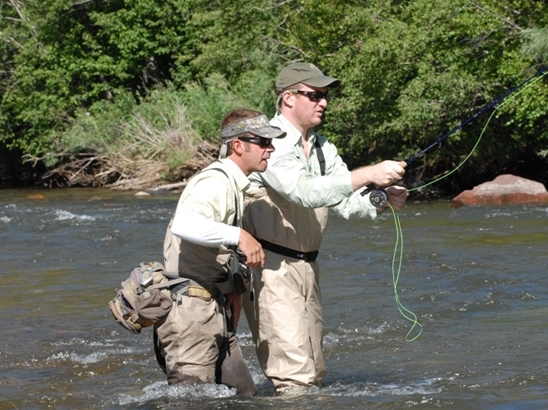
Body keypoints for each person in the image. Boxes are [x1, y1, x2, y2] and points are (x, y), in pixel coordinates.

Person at [242, 62, 409, 393]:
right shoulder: (267, 144)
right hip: (270, 268)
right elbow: (303, 192)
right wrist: (369, 172)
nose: (324, 102)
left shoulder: (323, 148)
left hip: (307, 266)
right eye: (314, 95)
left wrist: (381, 199)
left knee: (315, 371)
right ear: (288, 98)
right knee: (293, 377)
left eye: (325, 95)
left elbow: (345, 201)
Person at [154, 108, 286, 396]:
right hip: (190, 316)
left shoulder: (234, 182)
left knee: (245, 397)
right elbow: (184, 224)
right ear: (238, 145)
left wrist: (234, 291)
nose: (270, 148)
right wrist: (239, 235)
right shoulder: (215, 181)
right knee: (193, 401)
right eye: (264, 142)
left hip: (215, 310)